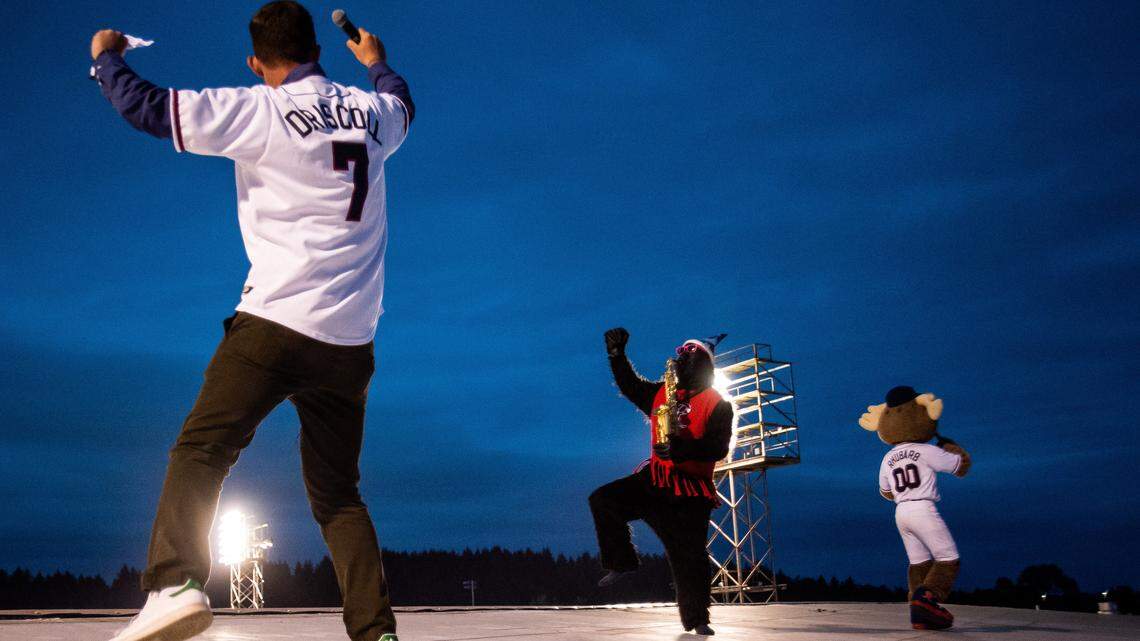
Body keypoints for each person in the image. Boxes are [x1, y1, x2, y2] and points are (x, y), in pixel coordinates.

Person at [90, 2, 414, 640]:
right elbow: (402, 100)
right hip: (350, 342)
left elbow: (147, 109)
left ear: (257, 63)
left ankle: (175, 583)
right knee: (339, 495)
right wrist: (376, 63)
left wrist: (106, 57)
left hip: (275, 321)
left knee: (203, 450)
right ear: (316, 49)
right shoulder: (374, 117)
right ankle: (377, 633)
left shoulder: (259, 109)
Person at [589, 328, 734, 636]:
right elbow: (630, 386)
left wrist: (680, 449)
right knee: (603, 499)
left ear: (704, 364)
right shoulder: (660, 393)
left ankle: (698, 619)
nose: (680, 356)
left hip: (688, 494)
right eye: (680, 353)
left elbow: (718, 448)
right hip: (655, 481)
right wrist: (617, 354)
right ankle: (621, 560)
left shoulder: (718, 403)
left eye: (688, 353)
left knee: (690, 558)